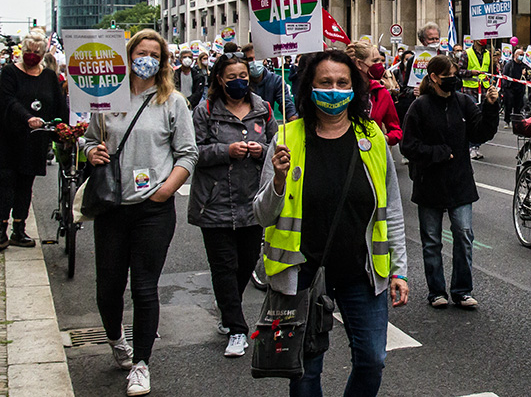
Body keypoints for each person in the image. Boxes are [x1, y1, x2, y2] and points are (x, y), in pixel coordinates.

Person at [254, 49, 409, 397]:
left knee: (372, 360)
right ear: (309, 88)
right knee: (305, 372)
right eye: (325, 82)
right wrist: (277, 182)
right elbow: (261, 215)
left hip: (361, 272)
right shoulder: (286, 139)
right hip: (301, 273)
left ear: (355, 89)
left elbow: (392, 210)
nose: (335, 90)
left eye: (343, 83)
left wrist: (399, 271)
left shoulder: (372, 137)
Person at [84, 29, 199, 396]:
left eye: (154, 53)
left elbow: (188, 153)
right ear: (128, 56)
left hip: (154, 209)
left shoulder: (172, 101)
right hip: (113, 206)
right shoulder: (106, 98)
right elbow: (89, 139)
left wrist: (167, 189)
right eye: (140, 52)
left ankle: (142, 363)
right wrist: (91, 152)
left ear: (162, 61)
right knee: (109, 288)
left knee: (145, 288)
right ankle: (117, 340)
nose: (146, 59)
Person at [190, 53, 278, 358]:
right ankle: (238, 329)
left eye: (243, 75)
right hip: (214, 202)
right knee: (224, 266)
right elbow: (194, 152)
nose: (239, 81)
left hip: (251, 201)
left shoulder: (262, 109)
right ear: (219, 79)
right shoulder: (204, 112)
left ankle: (228, 307)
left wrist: (261, 151)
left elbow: (276, 147)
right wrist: (225, 150)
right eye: (232, 77)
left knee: (245, 262)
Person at [401, 55, 499, 309]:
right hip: (429, 183)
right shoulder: (419, 107)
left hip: (460, 182)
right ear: (434, 77)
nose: (453, 80)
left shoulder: (464, 102)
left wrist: (490, 106)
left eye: (456, 74)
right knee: (432, 240)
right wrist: (439, 153)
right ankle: (436, 291)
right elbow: (408, 146)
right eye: (449, 75)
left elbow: (481, 133)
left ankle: (462, 290)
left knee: (464, 234)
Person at [0, 29, 67, 248]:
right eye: (29, 51)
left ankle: (19, 229)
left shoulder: (48, 76)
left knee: (25, 186)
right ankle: (1, 229)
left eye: (36, 52)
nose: (32, 55)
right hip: (9, 139)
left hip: (35, 141)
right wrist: (27, 118)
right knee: (6, 184)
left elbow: (58, 104)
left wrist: (64, 128)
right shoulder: (10, 73)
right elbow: (8, 100)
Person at [348, 40, 403, 146]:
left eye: (380, 60)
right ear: (359, 64)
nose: (380, 65)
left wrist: (384, 138)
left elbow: (396, 131)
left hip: (372, 153)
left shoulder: (382, 93)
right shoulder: (342, 92)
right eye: (375, 61)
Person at [241, 43, 297, 120]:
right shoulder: (240, 81)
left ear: (264, 60)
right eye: (250, 59)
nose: (254, 62)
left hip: (266, 123)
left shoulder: (276, 80)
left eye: (257, 58)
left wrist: (292, 117)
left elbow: (286, 103)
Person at [459, 39, 492, 160]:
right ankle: (471, 146)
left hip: (483, 90)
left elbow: (489, 71)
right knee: (472, 117)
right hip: (469, 90)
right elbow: (459, 71)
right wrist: (471, 72)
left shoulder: (488, 53)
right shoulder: (466, 53)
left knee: (481, 118)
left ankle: (475, 146)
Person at [501, 48, 529, 126]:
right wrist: (505, 87)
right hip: (510, 88)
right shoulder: (509, 64)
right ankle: (507, 121)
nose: (521, 56)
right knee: (509, 105)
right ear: (515, 55)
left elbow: (530, 75)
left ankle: (516, 122)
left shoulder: (524, 65)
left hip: (519, 88)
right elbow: (505, 76)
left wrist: (525, 73)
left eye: (523, 55)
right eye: (520, 55)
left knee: (518, 105)